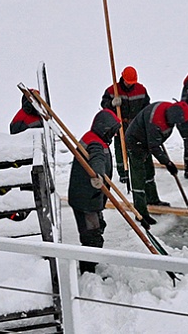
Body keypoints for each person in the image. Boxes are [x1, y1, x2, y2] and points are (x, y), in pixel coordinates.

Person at [67, 109, 121, 274]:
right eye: (111, 132)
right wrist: (98, 175)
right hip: (86, 200)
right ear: (104, 129)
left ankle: (91, 265)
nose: (112, 136)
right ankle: (88, 272)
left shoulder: (93, 137)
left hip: (89, 197)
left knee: (97, 229)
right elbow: (97, 159)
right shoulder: (95, 143)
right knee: (92, 237)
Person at [125, 101, 188, 226]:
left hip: (146, 140)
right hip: (135, 142)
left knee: (149, 172)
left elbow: (154, 143)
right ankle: (141, 213)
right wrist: (167, 163)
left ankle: (153, 200)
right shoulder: (155, 121)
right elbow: (154, 146)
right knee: (138, 176)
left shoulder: (168, 110)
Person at [100, 66, 151, 186]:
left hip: (136, 125)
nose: (129, 85)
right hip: (120, 125)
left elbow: (146, 106)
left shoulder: (141, 89)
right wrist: (111, 103)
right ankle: (123, 173)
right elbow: (104, 105)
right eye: (128, 82)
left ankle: (138, 169)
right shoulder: (113, 91)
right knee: (120, 149)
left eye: (132, 83)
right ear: (123, 78)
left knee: (138, 148)